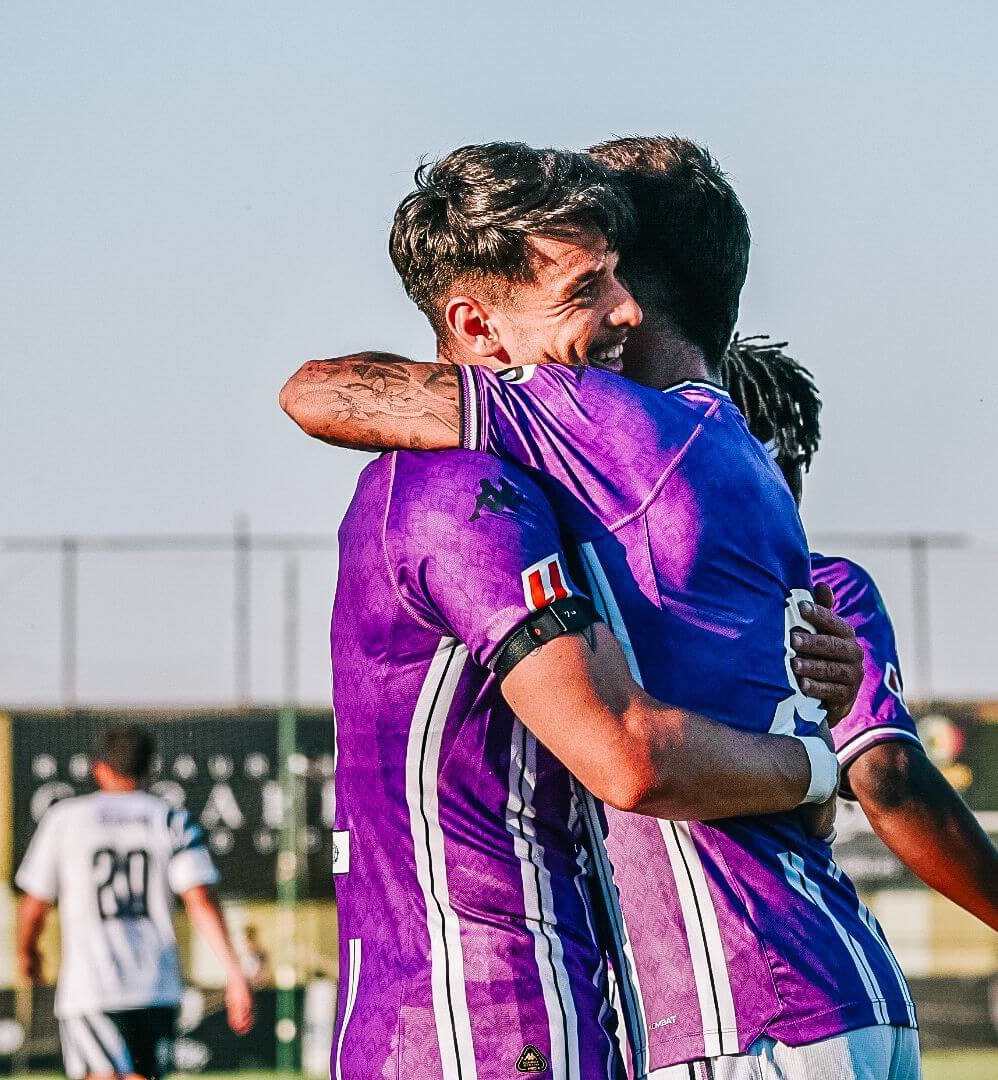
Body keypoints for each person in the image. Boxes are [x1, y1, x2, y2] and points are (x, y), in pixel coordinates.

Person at [282, 140, 911, 1080]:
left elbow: (314, 389)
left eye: (620, 278)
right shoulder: (475, 488)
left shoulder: (583, 459)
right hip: (487, 1020)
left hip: (543, 1013)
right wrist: (818, 765)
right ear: (478, 325)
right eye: (585, 289)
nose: (622, 313)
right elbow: (632, 757)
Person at [722, 331, 998, 1080]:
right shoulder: (832, 586)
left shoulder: (645, 592)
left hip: (751, 1015)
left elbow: (883, 777)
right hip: (857, 998)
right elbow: (882, 775)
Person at [15, 725, 254, 1080]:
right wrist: (235, 974)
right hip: (155, 984)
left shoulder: (66, 819)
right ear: (149, 768)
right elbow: (200, 898)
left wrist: (27, 952)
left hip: (93, 985)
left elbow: (35, 904)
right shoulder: (170, 818)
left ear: (100, 768)